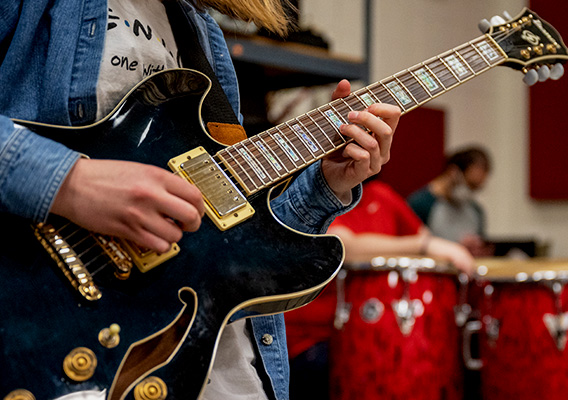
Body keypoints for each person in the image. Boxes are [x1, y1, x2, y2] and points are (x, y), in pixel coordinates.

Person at [0, 1, 401, 399]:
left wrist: (326, 182)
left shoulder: (200, 31)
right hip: (61, 345)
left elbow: (232, 233)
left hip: (221, 366)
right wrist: (70, 181)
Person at [285, 179, 474, 399]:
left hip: (380, 330)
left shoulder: (380, 194)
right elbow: (344, 245)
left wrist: (437, 245)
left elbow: (421, 234)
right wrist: (424, 246)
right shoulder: (312, 195)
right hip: (317, 336)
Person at [407, 146, 494, 257]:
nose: (471, 192)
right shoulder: (420, 204)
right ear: (454, 172)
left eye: (476, 188)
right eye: (470, 185)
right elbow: (409, 248)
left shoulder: (476, 210)